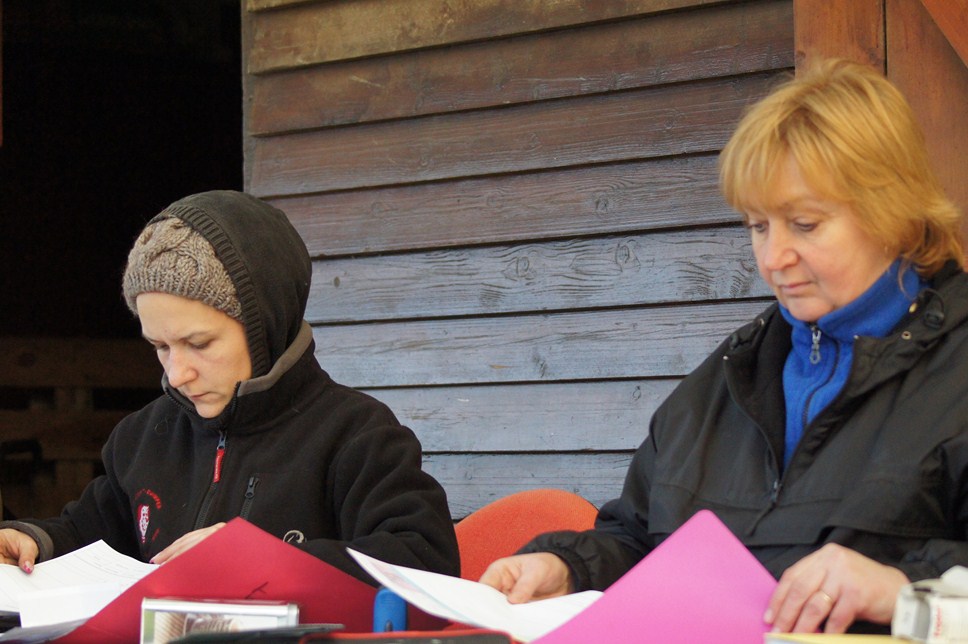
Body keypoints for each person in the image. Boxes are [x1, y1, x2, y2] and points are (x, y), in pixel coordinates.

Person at [479, 58, 968, 634]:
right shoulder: (728, 379)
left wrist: (901, 591)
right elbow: (636, 539)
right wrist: (567, 567)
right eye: (758, 226)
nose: (772, 258)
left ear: (893, 210)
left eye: (804, 224)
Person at [0, 190, 459, 583]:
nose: (177, 373)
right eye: (160, 346)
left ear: (266, 324)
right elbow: (85, 534)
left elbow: (426, 560)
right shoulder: (142, 438)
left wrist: (266, 559)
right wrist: (33, 542)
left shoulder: (357, 435)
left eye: (198, 343)